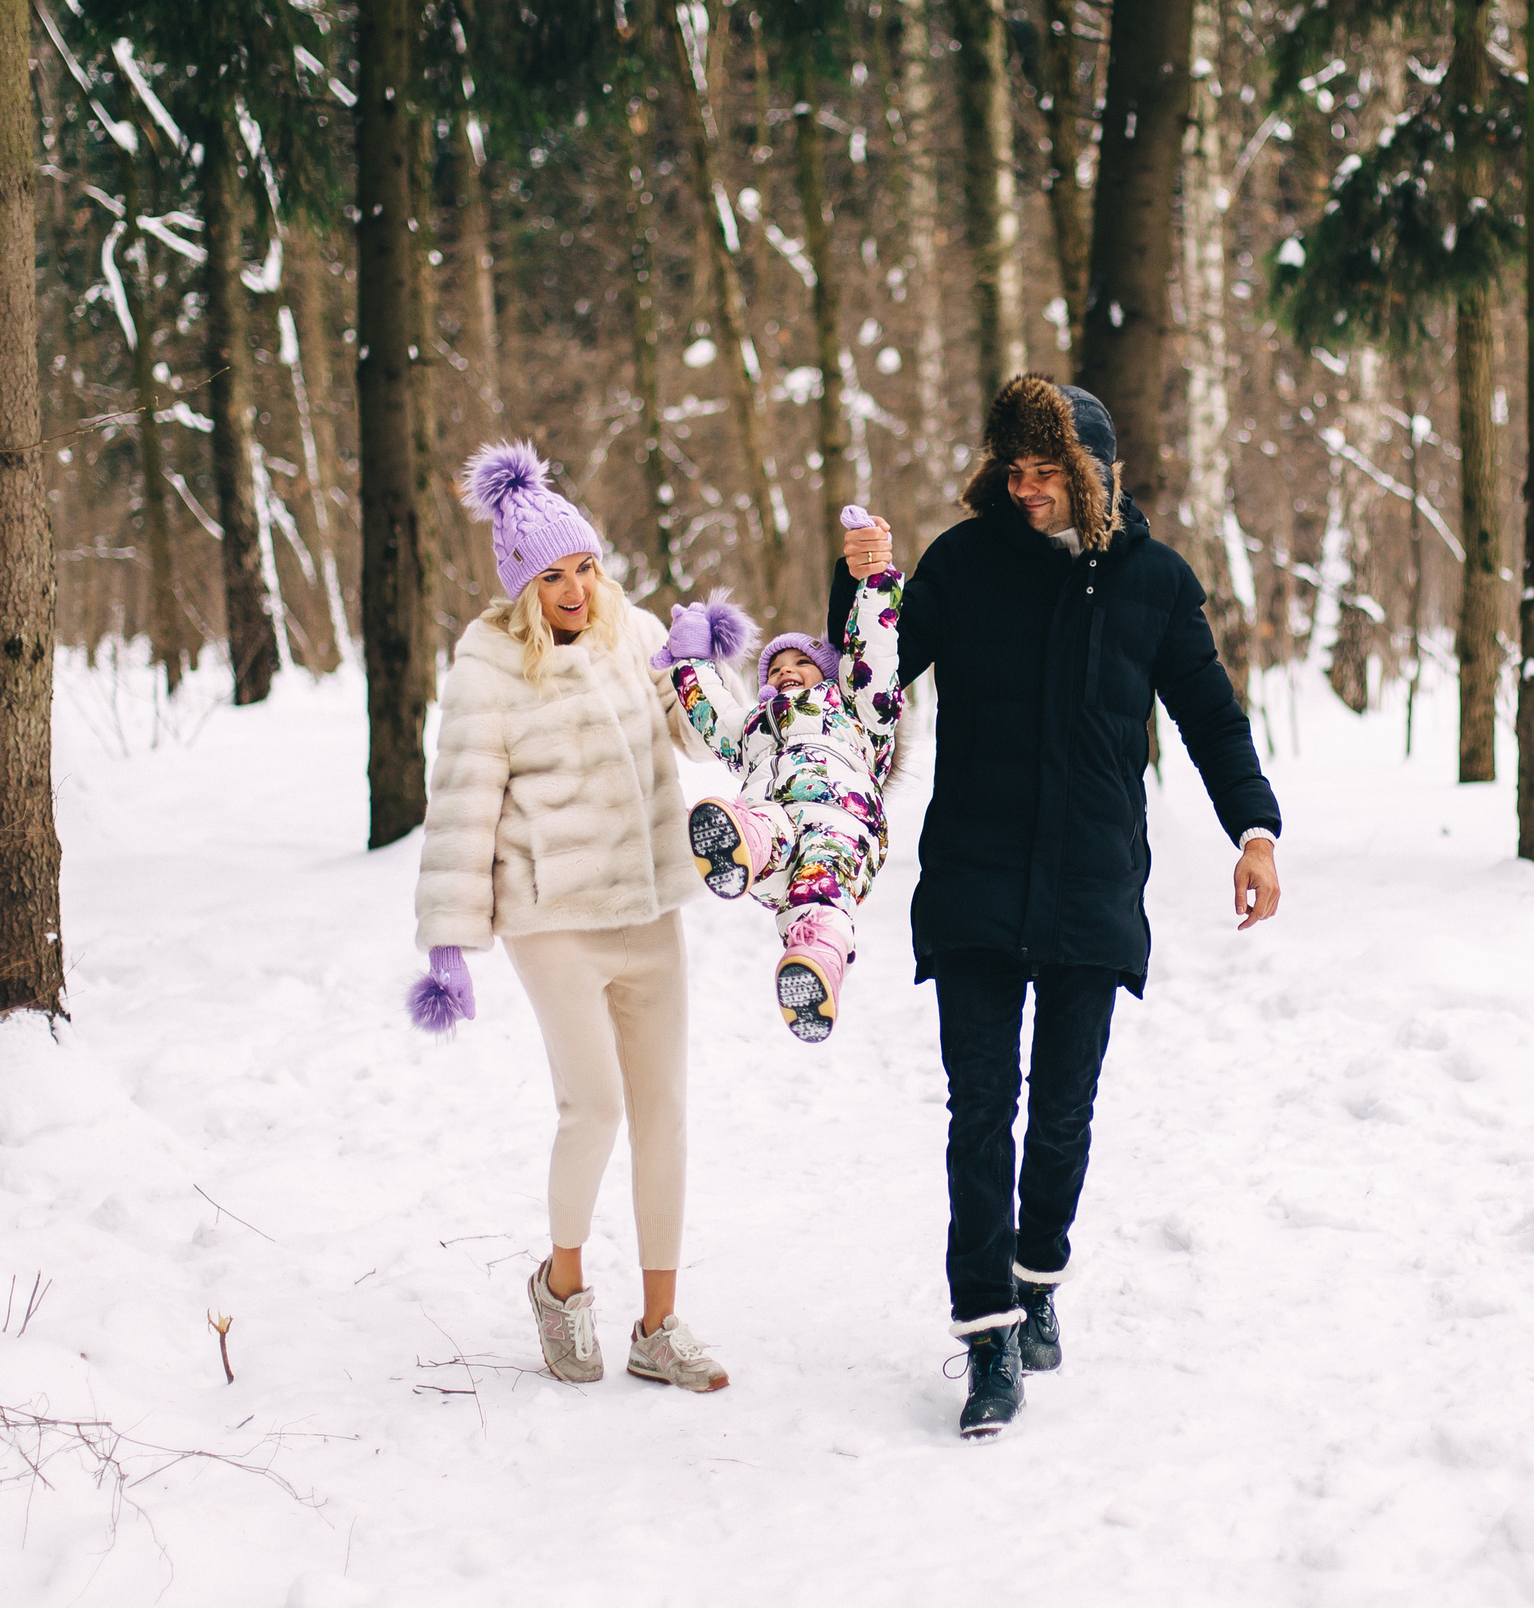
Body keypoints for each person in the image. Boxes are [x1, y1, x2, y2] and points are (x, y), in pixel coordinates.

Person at [828, 375, 1282, 1439]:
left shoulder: (1155, 586)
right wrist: (865, 590)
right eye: (1014, 471)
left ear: (1094, 476)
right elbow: (872, 687)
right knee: (980, 1110)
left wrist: (1253, 831)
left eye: (1048, 474)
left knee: (1064, 1113)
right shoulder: (962, 563)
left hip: (1090, 885)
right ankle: (987, 1337)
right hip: (977, 878)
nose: (1027, 491)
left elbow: (1211, 718)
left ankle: (1038, 1281)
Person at [403, 441, 731, 1394]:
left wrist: (700, 666)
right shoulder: (489, 666)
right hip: (552, 917)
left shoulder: (631, 633)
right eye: (555, 574)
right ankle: (563, 1288)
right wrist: (450, 941)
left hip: (649, 904)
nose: (578, 587)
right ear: (522, 582)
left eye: (585, 564)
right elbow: (463, 803)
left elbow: (703, 735)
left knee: (665, 1110)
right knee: (595, 1107)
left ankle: (659, 1326)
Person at [653, 507, 905, 1042]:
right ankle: (745, 845)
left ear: (831, 675)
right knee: (767, 825)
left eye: (802, 662)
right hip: (775, 838)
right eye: (775, 667)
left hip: (842, 824)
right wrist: (690, 661)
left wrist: (876, 582)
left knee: (820, 905)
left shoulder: (859, 711)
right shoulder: (755, 729)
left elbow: (875, 654)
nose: (787, 669)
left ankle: (815, 966)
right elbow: (712, 712)